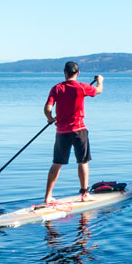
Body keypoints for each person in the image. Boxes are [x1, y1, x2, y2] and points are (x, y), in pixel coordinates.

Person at [44, 61, 103, 204]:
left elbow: (47, 108)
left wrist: (50, 119)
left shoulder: (56, 88)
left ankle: (48, 197)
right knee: (83, 161)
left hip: (62, 132)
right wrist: (100, 81)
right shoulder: (82, 87)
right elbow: (98, 90)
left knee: (56, 163)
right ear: (78, 73)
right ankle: (84, 194)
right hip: (79, 130)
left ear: (64, 73)